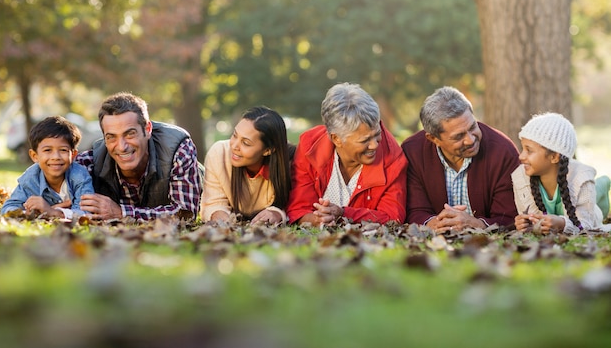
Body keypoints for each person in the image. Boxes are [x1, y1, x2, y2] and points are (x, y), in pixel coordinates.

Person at [286, 82, 408, 226]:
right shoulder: (309, 147)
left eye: (377, 134)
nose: (375, 144)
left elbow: (393, 217)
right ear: (336, 139)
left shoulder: (393, 158)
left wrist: (343, 214)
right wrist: (317, 219)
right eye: (365, 140)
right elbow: (298, 208)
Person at [402, 86, 520, 233]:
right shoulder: (412, 152)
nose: (470, 140)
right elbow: (414, 209)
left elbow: (508, 216)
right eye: (458, 136)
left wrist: (476, 224)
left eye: (473, 127)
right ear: (433, 138)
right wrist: (432, 224)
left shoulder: (503, 151)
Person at [76, 92, 202, 220]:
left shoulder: (178, 148)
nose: (121, 147)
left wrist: (122, 213)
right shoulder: (91, 160)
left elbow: (185, 213)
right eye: (111, 137)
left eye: (130, 134)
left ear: (147, 129)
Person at [512, 112, 608, 234]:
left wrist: (562, 224)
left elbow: (586, 224)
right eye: (522, 148)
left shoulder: (582, 179)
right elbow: (533, 221)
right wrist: (527, 225)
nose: (521, 156)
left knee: (599, 210)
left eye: (529, 150)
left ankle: (603, 184)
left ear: (554, 157)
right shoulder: (520, 177)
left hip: (589, 204)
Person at [200, 106, 292, 225]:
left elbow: (296, 207)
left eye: (246, 143)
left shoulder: (289, 164)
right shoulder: (219, 153)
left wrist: (277, 213)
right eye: (234, 135)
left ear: (268, 150)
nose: (234, 146)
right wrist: (219, 215)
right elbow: (213, 203)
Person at [1, 116, 94, 219]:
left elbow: (86, 212)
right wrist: (25, 213)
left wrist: (52, 211)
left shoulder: (80, 176)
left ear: (73, 155)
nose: (56, 157)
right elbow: (8, 207)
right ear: (34, 156)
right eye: (47, 150)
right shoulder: (30, 179)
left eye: (63, 150)